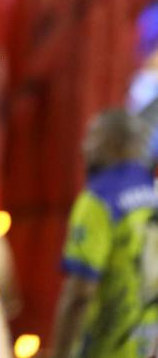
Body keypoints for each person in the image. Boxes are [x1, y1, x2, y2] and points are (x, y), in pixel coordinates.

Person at [51, 109, 158, 358]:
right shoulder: (152, 197)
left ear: (115, 143)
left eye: (93, 137)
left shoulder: (98, 200)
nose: (84, 146)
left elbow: (80, 294)